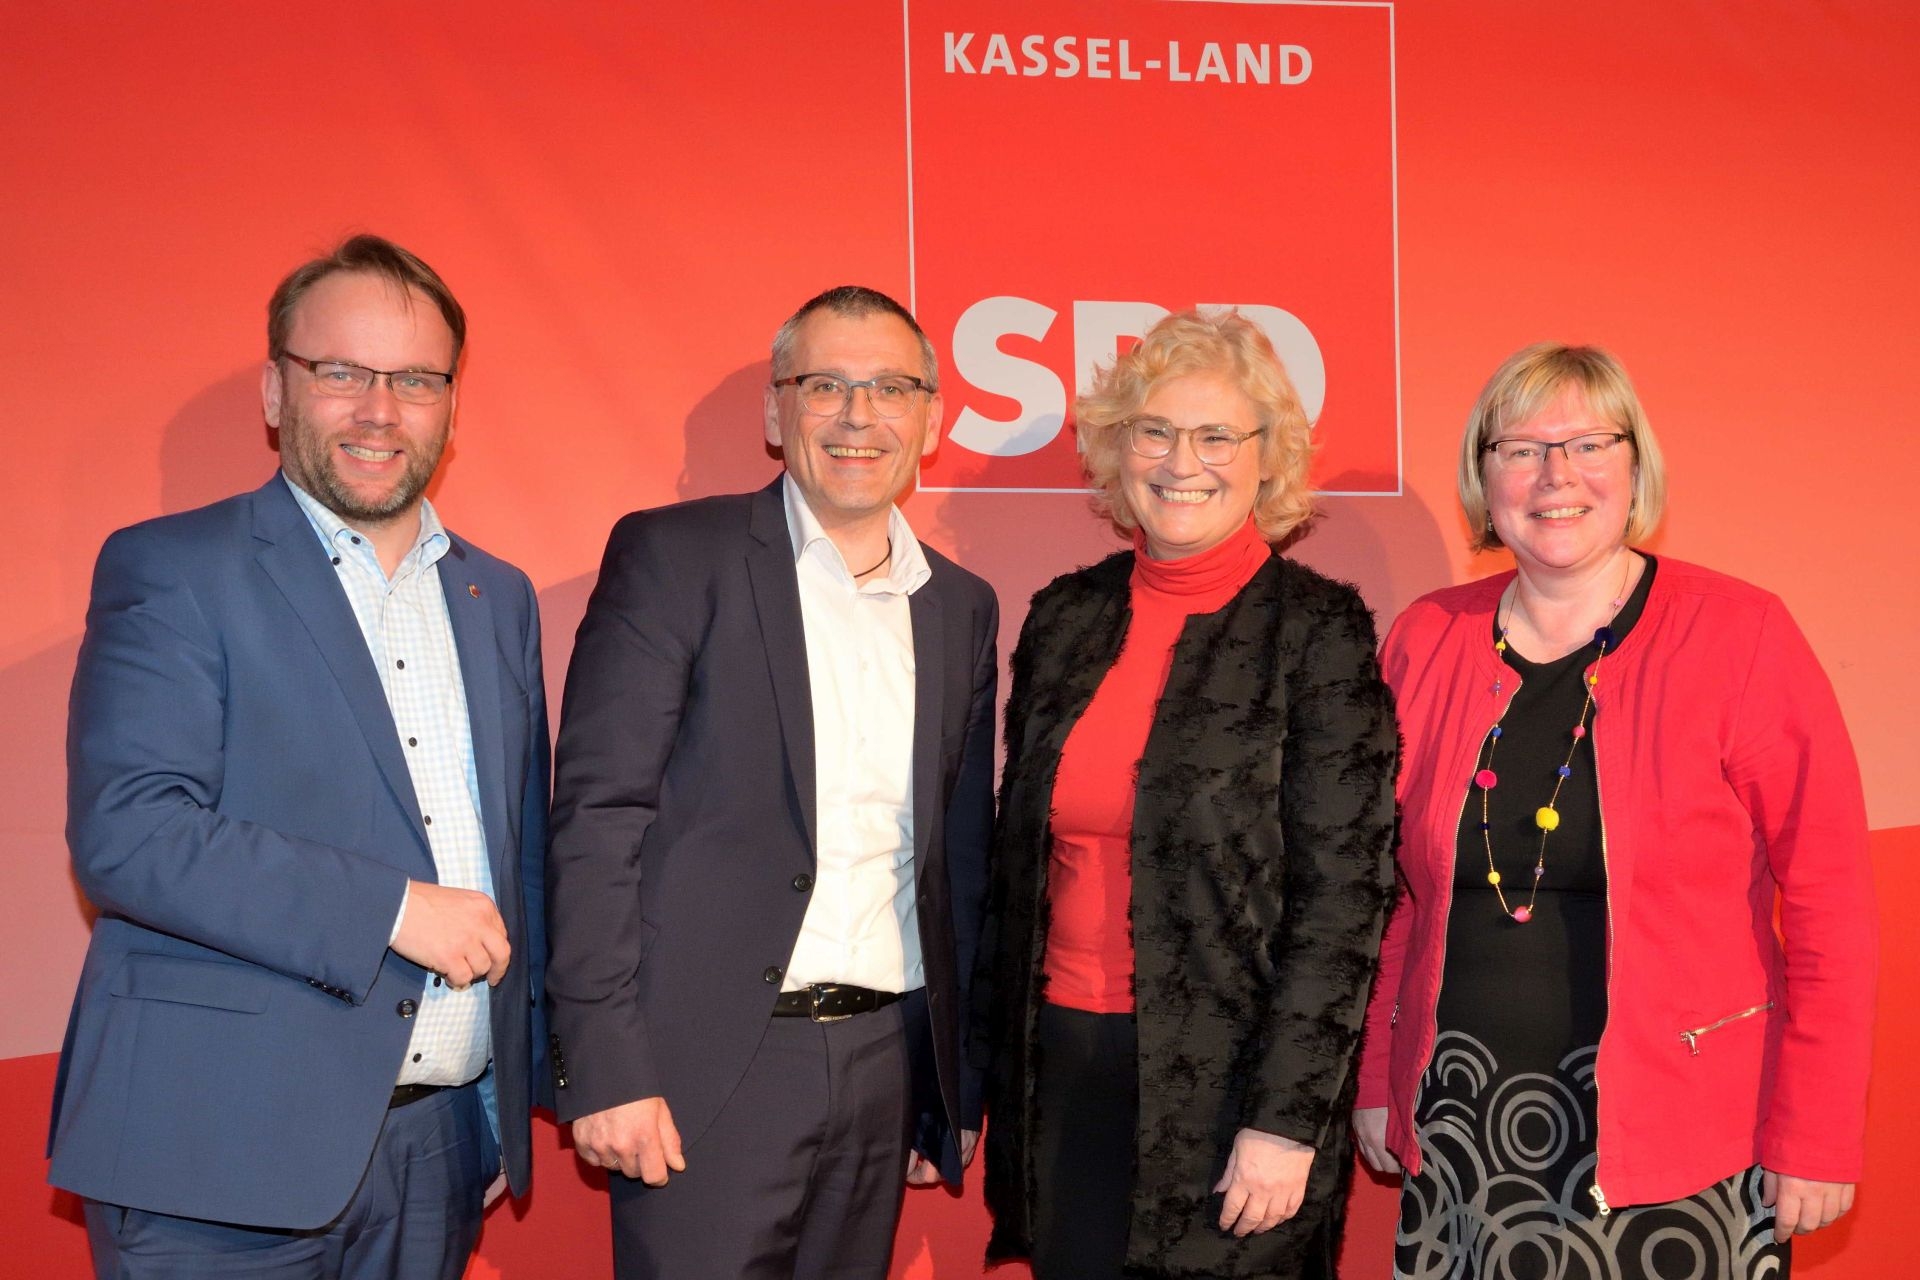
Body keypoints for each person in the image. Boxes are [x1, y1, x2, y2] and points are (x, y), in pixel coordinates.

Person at [47, 235, 552, 1279]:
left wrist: (511, 1096)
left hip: (437, 1147)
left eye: (416, 379)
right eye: (343, 372)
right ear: (277, 390)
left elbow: (521, 853)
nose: (381, 409)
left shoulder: (495, 596)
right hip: (215, 1152)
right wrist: (394, 910)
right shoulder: (174, 567)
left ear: (451, 404)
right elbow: (130, 833)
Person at [1353, 343, 1875, 1278]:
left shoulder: (1741, 635)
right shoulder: (1425, 640)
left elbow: (1830, 904)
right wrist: (1375, 1077)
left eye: (1589, 444)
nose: (1555, 475)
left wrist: (1818, 1130)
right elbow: (1388, 894)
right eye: (1520, 450)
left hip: (1687, 1138)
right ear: (1484, 476)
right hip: (1463, 1124)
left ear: (1636, 465)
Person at [544, 285, 999, 1278]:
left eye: (891, 388)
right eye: (824, 384)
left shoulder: (961, 606)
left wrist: (950, 1084)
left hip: (887, 1059)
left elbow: (959, 862)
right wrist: (607, 1062)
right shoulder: (677, 557)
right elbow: (597, 819)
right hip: (707, 1067)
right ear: (775, 410)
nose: (858, 415)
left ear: (931, 420)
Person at [976, 309, 1398, 1280]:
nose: (1181, 462)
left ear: (1266, 458)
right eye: (1154, 431)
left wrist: (1285, 1119)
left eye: (1216, 436)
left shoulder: (1317, 632)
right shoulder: (1065, 617)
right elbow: (1012, 870)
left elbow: (1345, 901)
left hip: (1236, 1088)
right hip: (1064, 1068)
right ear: (1116, 449)